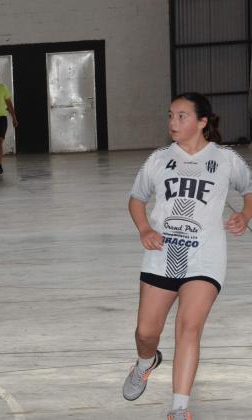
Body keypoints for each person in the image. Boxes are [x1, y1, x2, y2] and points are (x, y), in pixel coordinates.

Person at [123, 92, 252, 420]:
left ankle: (179, 409)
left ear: (202, 122)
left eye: (181, 116)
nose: (173, 123)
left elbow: (249, 188)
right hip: (162, 254)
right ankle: (145, 362)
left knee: (188, 328)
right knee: (145, 333)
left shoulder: (224, 159)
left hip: (205, 258)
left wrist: (245, 215)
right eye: (170, 116)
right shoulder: (159, 158)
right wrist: (144, 230)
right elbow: (137, 199)